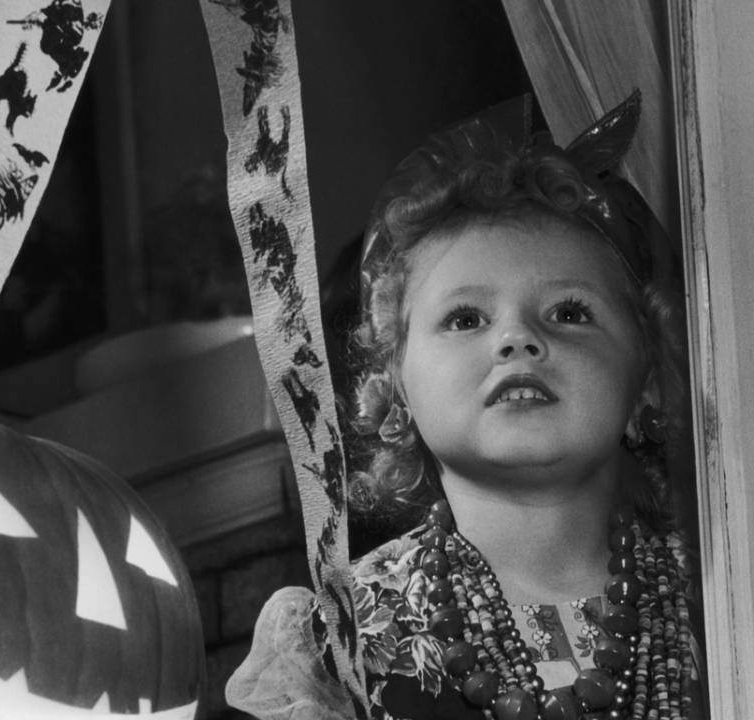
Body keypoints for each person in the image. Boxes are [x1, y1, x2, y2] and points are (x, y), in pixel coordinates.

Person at [226, 92, 704, 720]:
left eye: (569, 312)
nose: (518, 338)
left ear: (647, 379)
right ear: (395, 388)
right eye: (466, 318)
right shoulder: (344, 644)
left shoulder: (727, 592)